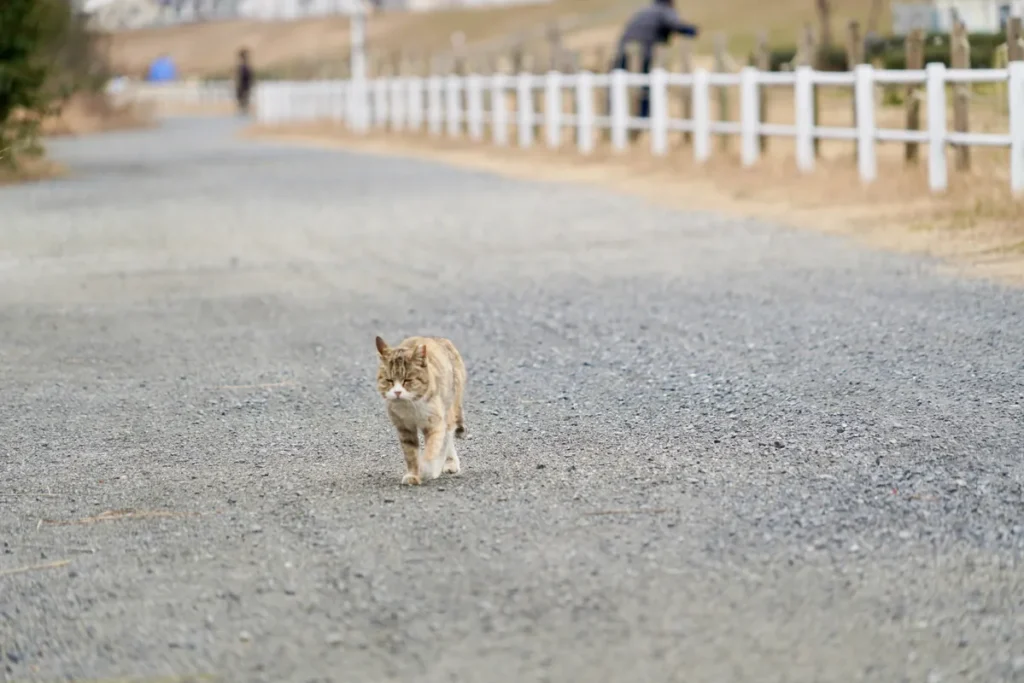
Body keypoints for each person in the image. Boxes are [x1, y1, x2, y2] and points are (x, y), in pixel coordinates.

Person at [609, 0, 699, 120]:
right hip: (643, 54)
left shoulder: (646, 11)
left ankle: (624, 118)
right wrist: (692, 31)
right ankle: (642, 118)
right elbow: (675, 25)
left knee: (624, 88)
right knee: (646, 87)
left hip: (624, 52)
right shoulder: (663, 11)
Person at [235, 48, 254, 116]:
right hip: (242, 86)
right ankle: (242, 110)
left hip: (245, 85)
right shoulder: (242, 66)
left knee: (245, 99)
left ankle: (244, 110)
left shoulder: (245, 67)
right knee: (242, 99)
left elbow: (250, 76)